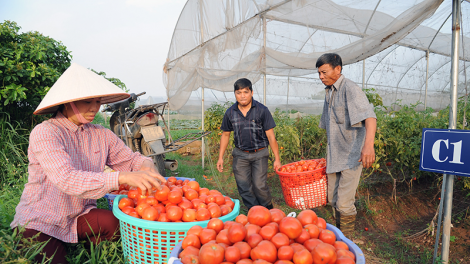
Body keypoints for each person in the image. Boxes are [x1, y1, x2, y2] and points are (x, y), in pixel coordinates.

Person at [10, 63, 166, 264]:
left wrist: (144, 164)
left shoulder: (101, 134)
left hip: (78, 216)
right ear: (68, 102)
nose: (94, 108)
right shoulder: (46, 133)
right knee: (54, 258)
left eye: (98, 101)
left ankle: (75, 240)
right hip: (41, 220)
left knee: (117, 225)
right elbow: (66, 179)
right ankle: (59, 244)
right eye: (87, 101)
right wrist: (122, 177)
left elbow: (130, 159)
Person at [317, 53, 377, 238]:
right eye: (319, 73)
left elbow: (370, 117)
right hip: (335, 155)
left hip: (352, 156)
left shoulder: (350, 89)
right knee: (333, 200)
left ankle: (346, 241)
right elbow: (329, 125)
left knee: (344, 203)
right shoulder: (329, 92)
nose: (321, 77)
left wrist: (368, 146)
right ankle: (339, 238)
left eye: (324, 72)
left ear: (338, 69)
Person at [216, 78, 281, 210]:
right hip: (240, 154)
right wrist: (220, 157)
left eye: (245, 92)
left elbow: (270, 136)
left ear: (251, 92)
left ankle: (268, 210)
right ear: (235, 94)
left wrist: (277, 159)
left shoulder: (262, 110)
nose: (242, 95)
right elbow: (226, 135)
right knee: (243, 186)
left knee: (259, 185)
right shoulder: (230, 112)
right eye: (239, 92)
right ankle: (254, 211)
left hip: (260, 153)